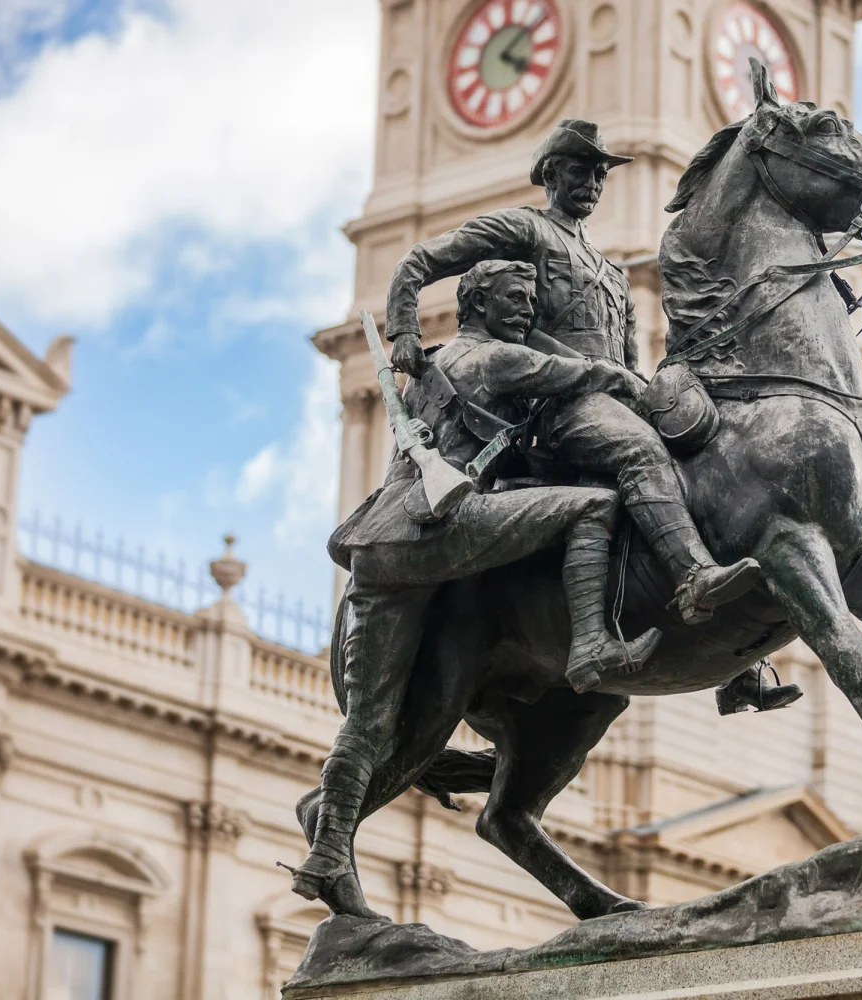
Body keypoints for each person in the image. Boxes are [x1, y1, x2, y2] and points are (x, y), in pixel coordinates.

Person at [288, 260, 660, 918]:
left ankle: (329, 844)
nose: (526, 311)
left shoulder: (430, 368)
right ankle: (593, 647)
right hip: (442, 528)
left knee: (370, 722)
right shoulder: (490, 359)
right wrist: (626, 375)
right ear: (480, 304)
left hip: (377, 545)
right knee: (590, 508)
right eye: (517, 300)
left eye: (529, 300)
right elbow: (581, 374)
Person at [385, 119, 761, 642]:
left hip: (616, 396)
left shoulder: (613, 273)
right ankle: (693, 579)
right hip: (559, 403)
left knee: (724, 461)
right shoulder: (526, 230)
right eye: (580, 170)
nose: (592, 182)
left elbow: (629, 362)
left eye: (600, 173)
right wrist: (403, 327)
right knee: (639, 452)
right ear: (550, 175)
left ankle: (744, 652)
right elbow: (420, 260)